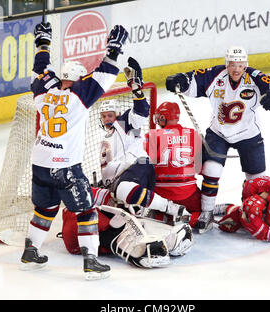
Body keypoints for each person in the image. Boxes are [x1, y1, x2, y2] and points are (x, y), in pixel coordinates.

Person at [20, 22, 128, 281]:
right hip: (65, 165)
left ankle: (31, 251)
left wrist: (42, 44)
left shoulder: (43, 92)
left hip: (40, 163)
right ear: (78, 79)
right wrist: (113, 49)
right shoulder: (79, 95)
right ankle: (91, 261)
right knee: (86, 211)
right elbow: (106, 72)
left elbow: (40, 69)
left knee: (45, 209)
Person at [165, 46, 270, 233]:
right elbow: (192, 79)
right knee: (211, 169)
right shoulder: (215, 75)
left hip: (248, 134)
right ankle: (206, 212)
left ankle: (251, 212)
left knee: (257, 180)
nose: (236, 69)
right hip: (219, 133)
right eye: (232, 64)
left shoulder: (255, 77)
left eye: (240, 65)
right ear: (227, 64)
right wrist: (181, 80)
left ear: (245, 64)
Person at [98, 57, 190, 223]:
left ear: (117, 114)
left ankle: (172, 208)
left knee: (123, 190)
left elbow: (142, 111)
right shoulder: (106, 138)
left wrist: (136, 88)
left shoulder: (124, 124)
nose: (107, 119)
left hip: (138, 169)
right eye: (104, 116)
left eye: (110, 115)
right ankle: (147, 211)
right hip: (122, 179)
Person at [57, 186, 193, 268]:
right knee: (120, 221)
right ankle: (139, 250)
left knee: (129, 219)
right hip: (77, 231)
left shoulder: (96, 193)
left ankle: (160, 238)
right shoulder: (81, 199)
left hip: (83, 233)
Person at [144, 101, 204, 229]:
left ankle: (164, 217)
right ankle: (193, 219)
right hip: (188, 194)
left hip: (161, 195)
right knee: (204, 209)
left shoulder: (153, 136)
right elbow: (199, 168)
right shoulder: (193, 134)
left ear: (162, 117)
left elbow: (145, 166)